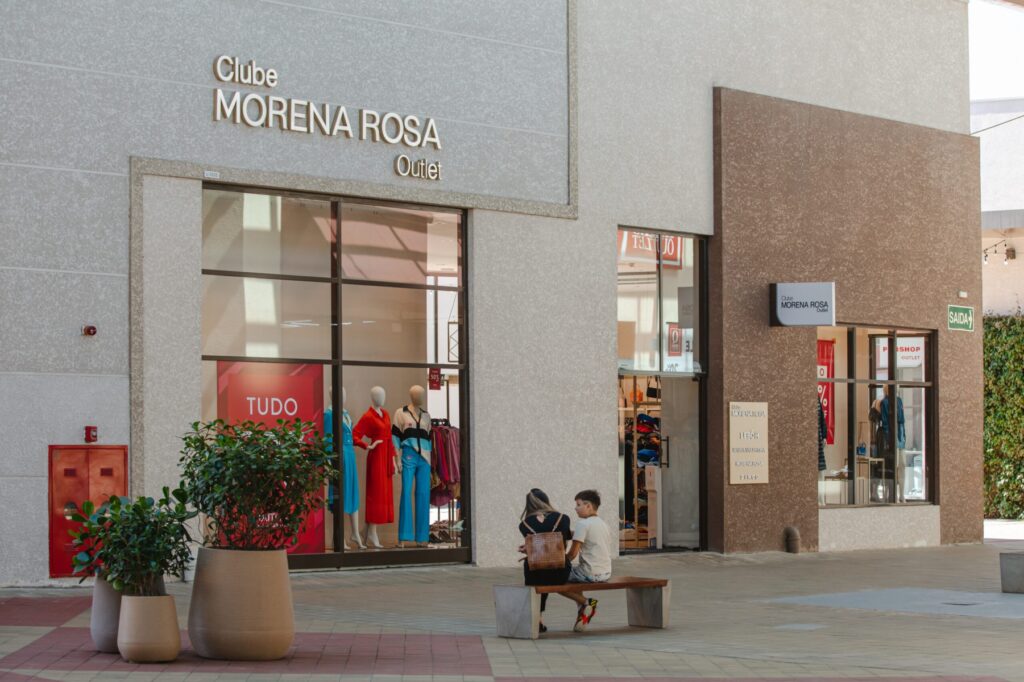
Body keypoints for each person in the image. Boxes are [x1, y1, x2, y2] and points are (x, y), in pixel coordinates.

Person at [517, 488, 571, 634]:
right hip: (560, 570)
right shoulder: (563, 518)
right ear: (546, 500)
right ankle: (587, 603)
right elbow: (563, 543)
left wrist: (526, 549)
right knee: (547, 568)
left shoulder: (524, 524)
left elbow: (538, 546)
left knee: (538, 569)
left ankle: (538, 618)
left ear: (528, 505)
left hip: (536, 572)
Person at [565, 489, 612, 632]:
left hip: (589, 573)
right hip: (605, 572)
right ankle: (582, 611)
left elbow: (572, 554)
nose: (575, 508)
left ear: (588, 506)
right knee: (574, 575)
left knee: (554, 579)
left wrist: (558, 563)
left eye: (578, 504)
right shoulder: (603, 524)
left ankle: (587, 602)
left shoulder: (583, 524)